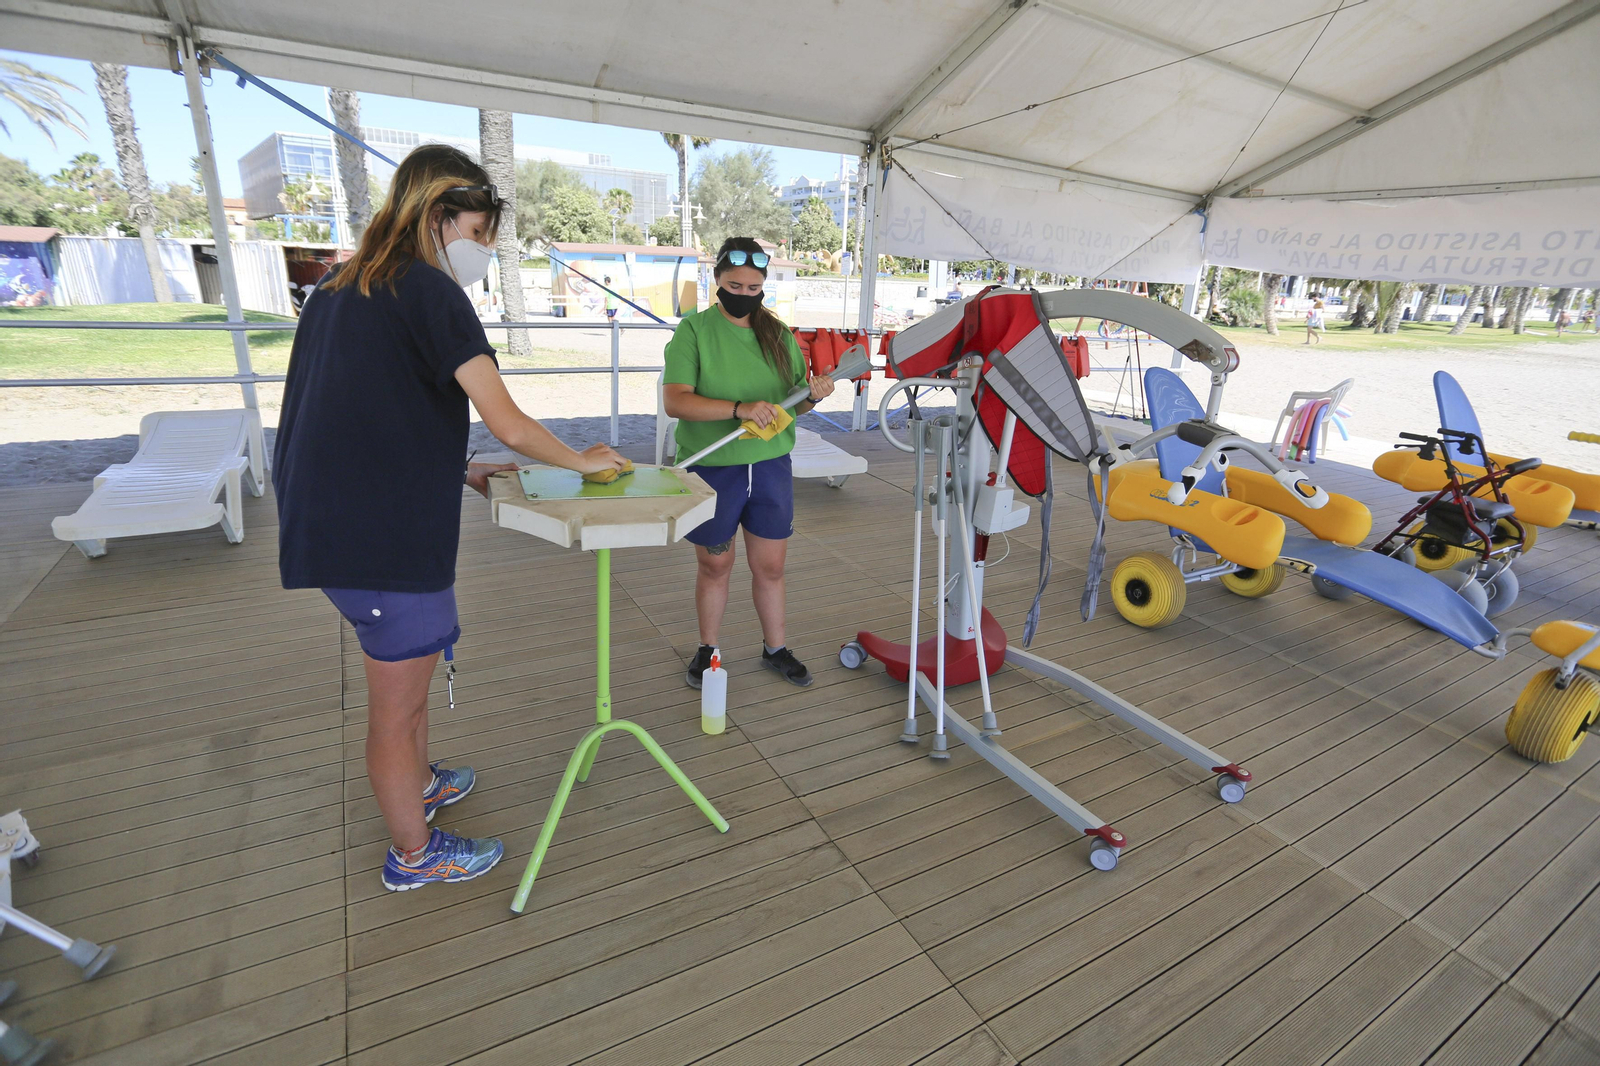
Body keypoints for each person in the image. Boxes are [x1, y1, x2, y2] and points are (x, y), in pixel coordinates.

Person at [273, 144, 627, 892]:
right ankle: (414, 853)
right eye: (478, 233)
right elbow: (510, 420)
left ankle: (421, 783)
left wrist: (459, 466)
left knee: (416, 670)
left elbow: (363, 410)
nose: (484, 251)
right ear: (437, 215)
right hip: (380, 542)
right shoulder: (429, 289)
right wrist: (583, 463)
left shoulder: (341, 283)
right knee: (396, 711)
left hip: (337, 524)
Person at [663, 236, 836, 690]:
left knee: (771, 568)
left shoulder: (778, 334)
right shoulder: (694, 331)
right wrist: (739, 409)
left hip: (770, 467)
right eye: (734, 286)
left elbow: (793, 404)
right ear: (717, 280)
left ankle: (775, 648)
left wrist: (814, 396)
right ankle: (708, 649)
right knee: (715, 566)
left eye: (753, 288)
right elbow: (676, 401)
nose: (744, 295)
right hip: (713, 468)